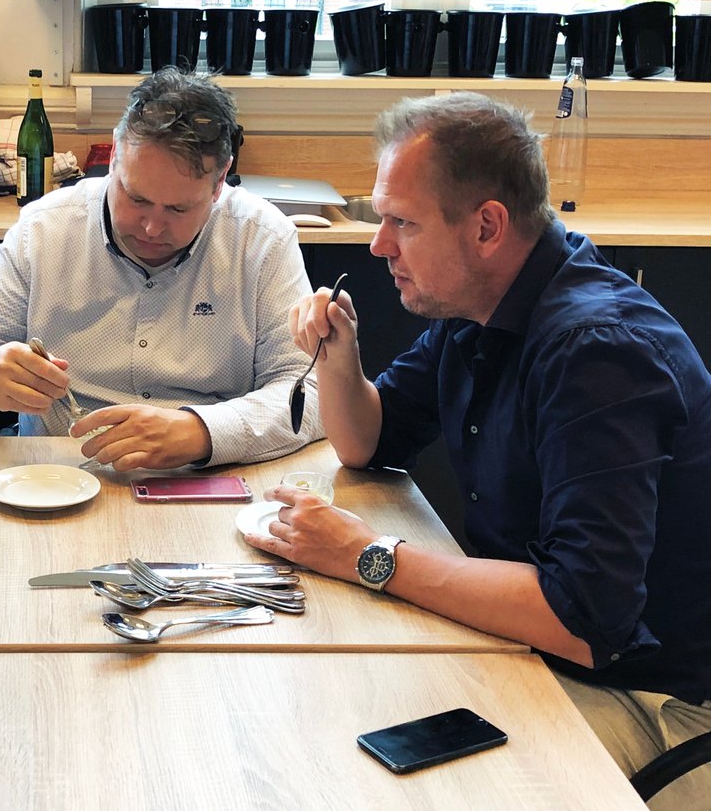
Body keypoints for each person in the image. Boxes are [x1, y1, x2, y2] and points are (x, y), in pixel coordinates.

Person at [248, 91, 711, 806]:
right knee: (316, 716)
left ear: (487, 227)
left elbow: (583, 620)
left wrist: (368, 557)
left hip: (656, 700)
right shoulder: (482, 308)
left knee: (367, 781)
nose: (378, 247)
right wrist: (340, 358)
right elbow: (368, 441)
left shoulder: (596, 353)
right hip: (549, 652)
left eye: (401, 223)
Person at [0, 67, 321, 470]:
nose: (152, 227)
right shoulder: (45, 230)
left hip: (204, 478)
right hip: (56, 478)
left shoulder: (262, 239)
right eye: (137, 199)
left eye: (179, 209)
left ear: (219, 186)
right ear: (113, 158)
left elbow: (312, 394)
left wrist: (201, 431)